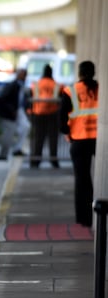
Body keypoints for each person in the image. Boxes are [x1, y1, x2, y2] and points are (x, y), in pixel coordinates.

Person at [61, 60, 99, 227]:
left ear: (79, 73)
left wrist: (67, 133)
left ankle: (84, 219)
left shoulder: (70, 91)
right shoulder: (101, 89)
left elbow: (62, 120)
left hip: (79, 139)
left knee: (82, 180)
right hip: (100, 139)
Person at [29, 64, 63, 168]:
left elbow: (30, 99)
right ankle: (54, 160)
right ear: (51, 73)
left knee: (38, 138)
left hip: (38, 114)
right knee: (53, 138)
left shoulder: (36, 84)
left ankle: (36, 161)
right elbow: (61, 101)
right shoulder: (57, 85)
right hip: (53, 114)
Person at [0, 68, 30, 160]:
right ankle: (3, 154)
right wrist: (11, 110)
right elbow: (4, 99)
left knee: (25, 126)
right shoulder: (13, 85)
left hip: (18, 110)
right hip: (10, 113)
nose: (25, 77)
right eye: (23, 75)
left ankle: (17, 148)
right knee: (8, 134)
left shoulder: (21, 86)